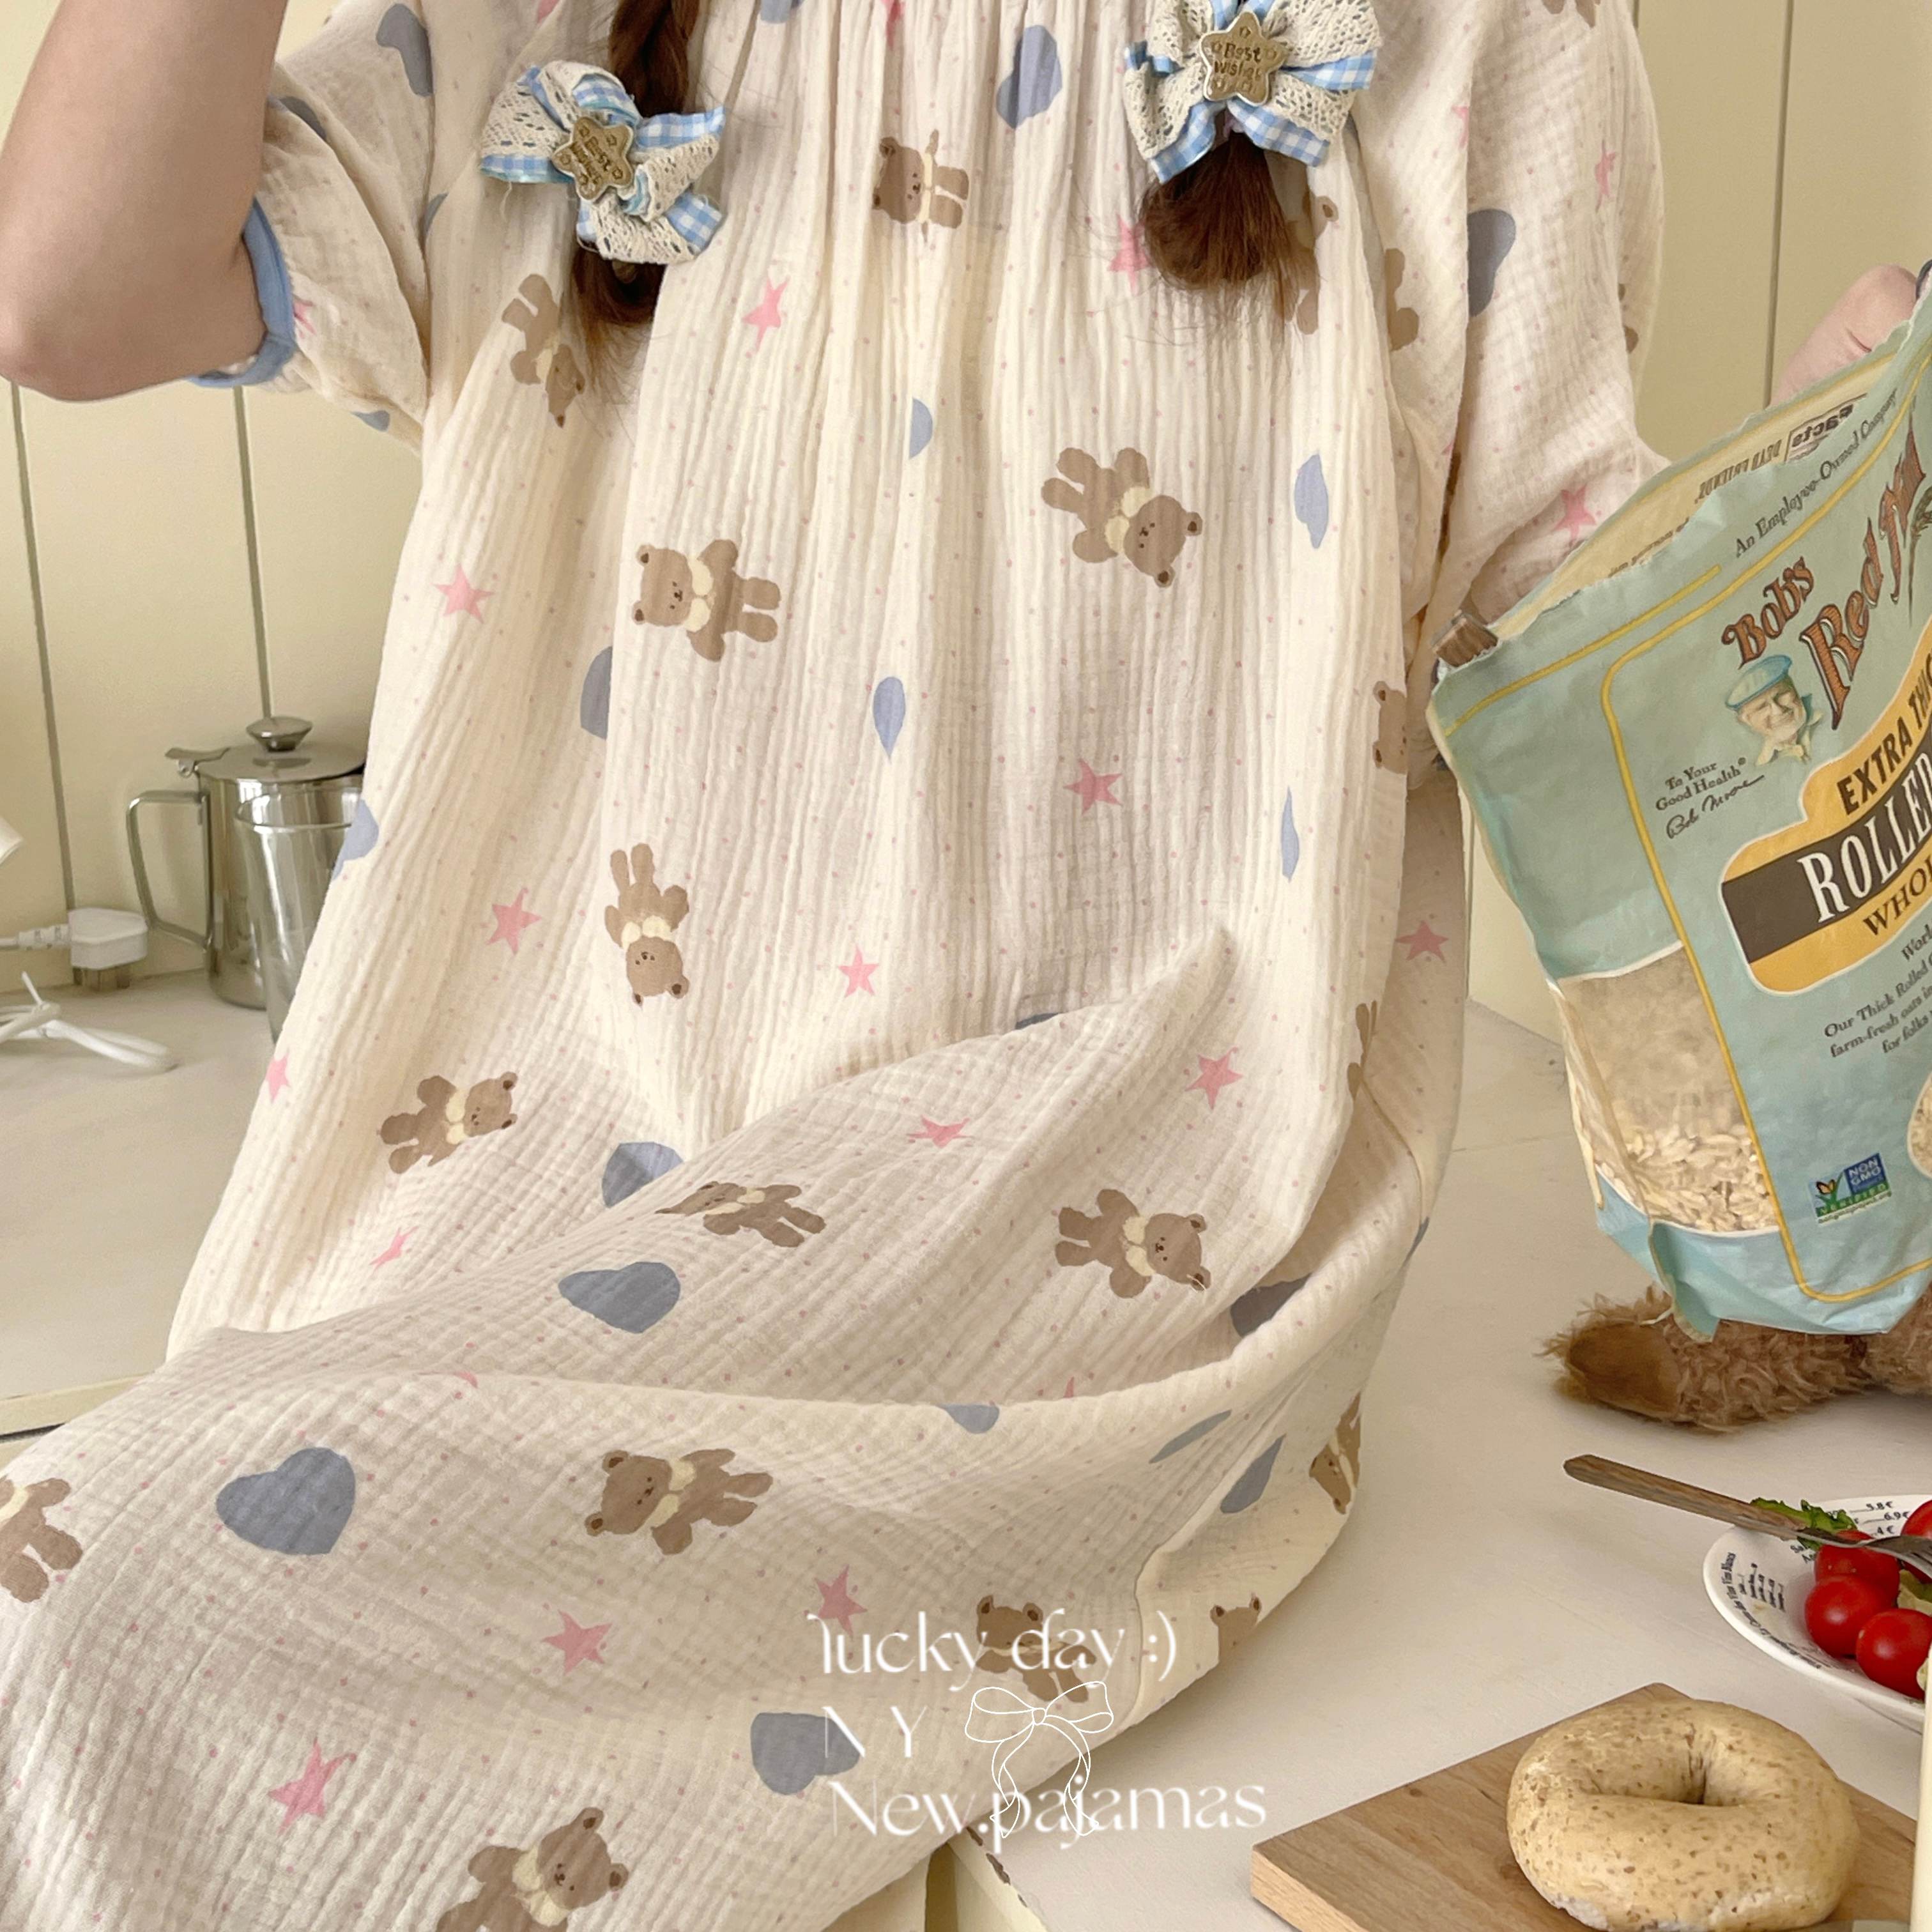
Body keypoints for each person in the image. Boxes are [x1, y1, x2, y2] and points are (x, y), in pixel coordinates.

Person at [0, 0, 1663, 1926]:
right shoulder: (554, 22)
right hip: (504, 1187)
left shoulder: (1443, 29)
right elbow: (70, 299)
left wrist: (1859, 524)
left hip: (1100, 1221)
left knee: (81, 1616)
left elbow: (1588, 633)